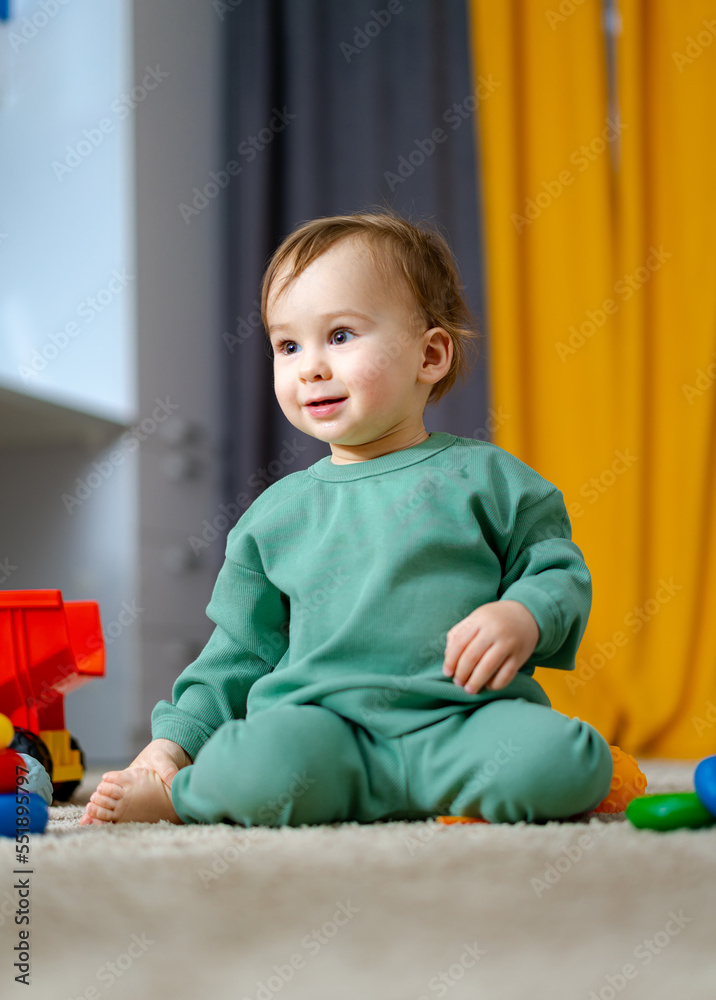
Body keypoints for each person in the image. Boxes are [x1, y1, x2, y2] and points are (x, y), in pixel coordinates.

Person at [81, 208, 613, 829]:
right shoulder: (275, 516)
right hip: (324, 735)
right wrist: (170, 747)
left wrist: (522, 614)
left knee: (572, 763)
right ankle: (182, 799)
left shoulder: (493, 481)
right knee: (256, 767)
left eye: (340, 336)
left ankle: (427, 784)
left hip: (464, 719)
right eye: (288, 344)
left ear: (431, 354)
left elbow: (560, 574)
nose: (310, 365)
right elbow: (239, 652)